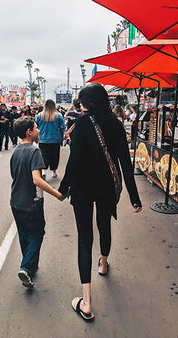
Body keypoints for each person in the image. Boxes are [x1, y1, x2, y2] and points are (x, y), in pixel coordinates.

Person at [58, 83, 142, 321]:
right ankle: (104, 263)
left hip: (83, 188)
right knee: (104, 224)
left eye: (82, 101)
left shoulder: (82, 124)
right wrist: (134, 197)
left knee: (85, 239)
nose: (80, 105)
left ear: (88, 102)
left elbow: (73, 161)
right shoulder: (116, 124)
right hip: (106, 187)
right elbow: (126, 162)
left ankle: (86, 302)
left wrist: (63, 189)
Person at [10, 116, 66, 289]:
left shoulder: (16, 151)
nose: (39, 130)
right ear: (29, 132)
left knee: (24, 235)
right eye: (36, 127)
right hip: (32, 202)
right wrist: (57, 194)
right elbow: (36, 179)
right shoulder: (35, 152)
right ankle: (26, 267)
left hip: (15, 201)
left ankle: (29, 267)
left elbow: (15, 175)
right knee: (37, 233)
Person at [35, 99, 69, 179]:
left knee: (43, 156)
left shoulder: (40, 115)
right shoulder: (58, 115)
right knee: (54, 156)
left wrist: (36, 138)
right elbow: (63, 128)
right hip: (55, 140)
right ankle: (53, 172)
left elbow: (35, 127)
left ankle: (43, 171)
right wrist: (68, 137)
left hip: (43, 139)